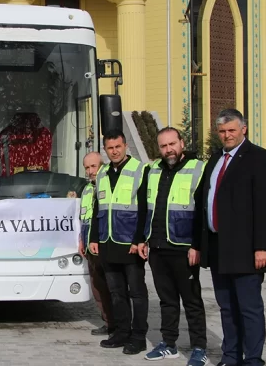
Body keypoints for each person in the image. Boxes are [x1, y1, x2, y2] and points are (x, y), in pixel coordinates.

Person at [196, 109, 266, 366]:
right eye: (222, 131)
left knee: (249, 308)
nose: (227, 135)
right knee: (227, 306)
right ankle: (231, 356)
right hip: (218, 246)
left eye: (231, 130)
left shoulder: (260, 158)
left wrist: (262, 246)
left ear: (243, 129)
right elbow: (204, 201)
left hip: (246, 249)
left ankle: (253, 359)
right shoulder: (215, 160)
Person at [141, 127, 208, 366]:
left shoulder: (198, 169)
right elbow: (144, 208)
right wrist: (143, 239)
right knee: (167, 300)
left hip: (184, 247)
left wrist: (197, 246)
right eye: (163, 146)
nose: (168, 150)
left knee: (191, 301)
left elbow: (202, 212)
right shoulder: (153, 171)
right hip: (158, 247)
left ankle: (199, 347)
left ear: (182, 142)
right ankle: (169, 344)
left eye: (172, 144)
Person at [88, 129, 149, 355]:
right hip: (108, 242)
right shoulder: (103, 174)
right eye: (110, 148)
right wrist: (94, 238)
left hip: (130, 243)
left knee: (137, 292)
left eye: (118, 147)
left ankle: (139, 335)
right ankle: (122, 332)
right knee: (116, 292)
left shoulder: (140, 170)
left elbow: (144, 208)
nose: (114, 151)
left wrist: (140, 239)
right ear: (105, 150)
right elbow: (97, 208)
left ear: (125, 147)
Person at [79, 151, 115, 337]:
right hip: (89, 247)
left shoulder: (108, 186)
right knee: (98, 288)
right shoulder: (86, 189)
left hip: (105, 243)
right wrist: (81, 241)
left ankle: (119, 325)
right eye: (87, 167)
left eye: (94, 166)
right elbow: (83, 218)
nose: (91, 171)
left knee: (112, 287)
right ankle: (108, 322)